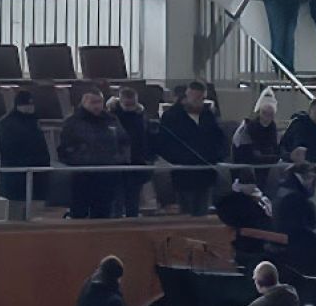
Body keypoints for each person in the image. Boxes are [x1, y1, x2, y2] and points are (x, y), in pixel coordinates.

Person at [157, 80, 226, 216]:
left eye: (201, 99)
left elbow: (219, 139)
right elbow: (164, 144)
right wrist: (179, 159)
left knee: (203, 211)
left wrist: (216, 157)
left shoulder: (208, 116)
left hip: (206, 172)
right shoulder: (171, 117)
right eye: (194, 98)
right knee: (185, 213)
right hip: (184, 173)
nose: (197, 102)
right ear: (186, 96)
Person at [58, 88, 129, 220]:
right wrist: (80, 160)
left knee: (103, 213)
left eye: (99, 102)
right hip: (83, 175)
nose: (97, 106)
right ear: (84, 102)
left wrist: (118, 158)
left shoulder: (111, 120)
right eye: (93, 102)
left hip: (107, 174)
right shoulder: (73, 122)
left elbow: (124, 141)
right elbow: (65, 148)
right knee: (79, 213)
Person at [0, 90, 51, 221]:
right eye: (27, 104)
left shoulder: (34, 121)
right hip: (16, 177)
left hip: (36, 177)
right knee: (15, 216)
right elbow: (9, 150)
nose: (30, 107)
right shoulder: (7, 124)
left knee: (35, 217)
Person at [109, 86, 153, 218]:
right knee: (117, 201)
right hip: (117, 163)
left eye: (132, 104)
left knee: (133, 202)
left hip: (137, 162)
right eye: (127, 104)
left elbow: (147, 139)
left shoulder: (142, 117)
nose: (130, 107)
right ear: (120, 101)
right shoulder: (111, 117)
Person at [231, 87, 281, 189]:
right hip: (245, 175)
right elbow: (247, 155)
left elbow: (275, 150)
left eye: (270, 114)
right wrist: (271, 157)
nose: (267, 117)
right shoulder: (246, 129)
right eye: (264, 113)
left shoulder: (273, 129)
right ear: (259, 112)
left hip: (264, 173)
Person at [280, 98, 316, 164]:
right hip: (293, 163)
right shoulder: (298, 124)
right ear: (309, 111)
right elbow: (283, 145)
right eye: (315, 111)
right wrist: (290, 156)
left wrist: (308, 155)